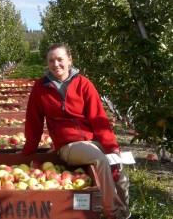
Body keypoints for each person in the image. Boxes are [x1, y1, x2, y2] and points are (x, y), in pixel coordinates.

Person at [21, 43, 130, 219]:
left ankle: (125, 213)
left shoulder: (84, 84)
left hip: (92, 140)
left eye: (60, 59)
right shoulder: (40, 88)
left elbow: (98, 118)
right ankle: (112, 212)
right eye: (51, 60)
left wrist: (112, 147)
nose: (56, 64)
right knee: (100, 160)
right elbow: (34, 121)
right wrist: (29, 149)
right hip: (69, 145)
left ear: (69, 60)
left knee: (120, 171)